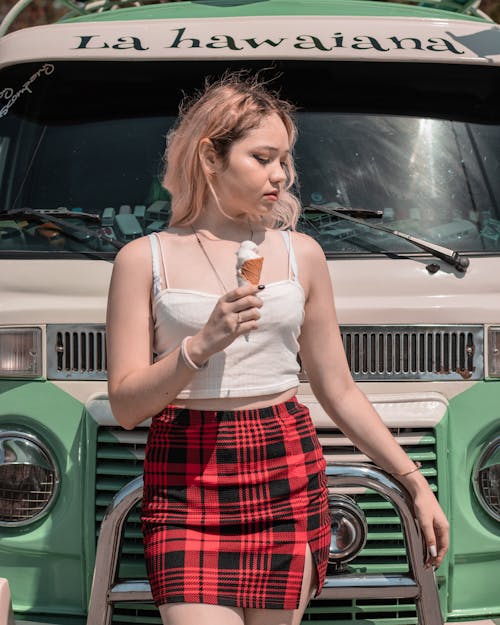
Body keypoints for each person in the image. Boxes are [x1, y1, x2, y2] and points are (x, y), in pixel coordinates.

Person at [106, 74, 449, 625]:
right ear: (209, 157)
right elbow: (124, 405)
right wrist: (199, 346)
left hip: (282, 466)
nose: (281, 175)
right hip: (184, 478)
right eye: (262, 157)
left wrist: (414, 483)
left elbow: (338, 390)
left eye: (284, 160)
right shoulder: (144, 260)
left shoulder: (302, 255)